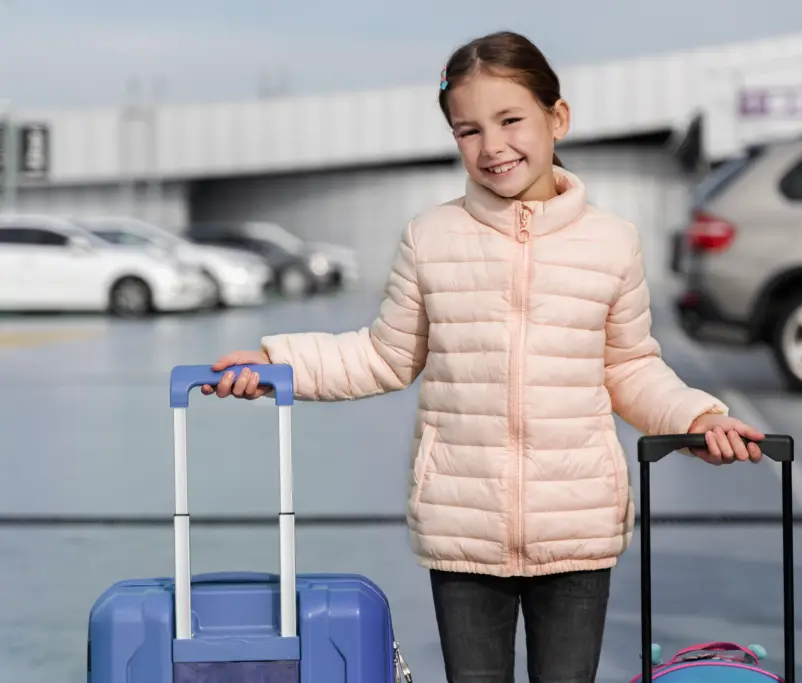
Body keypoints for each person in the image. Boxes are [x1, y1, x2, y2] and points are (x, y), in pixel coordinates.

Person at [201, 30, 766, 683]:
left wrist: (696, 418)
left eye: (510, 120)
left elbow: (630, 365)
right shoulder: (431, 237)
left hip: (576, 527)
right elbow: (383, 354)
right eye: (468, 130)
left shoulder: (612, 243)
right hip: (462, 527)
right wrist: (279, 365)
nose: (492, 145)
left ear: (557, 118)